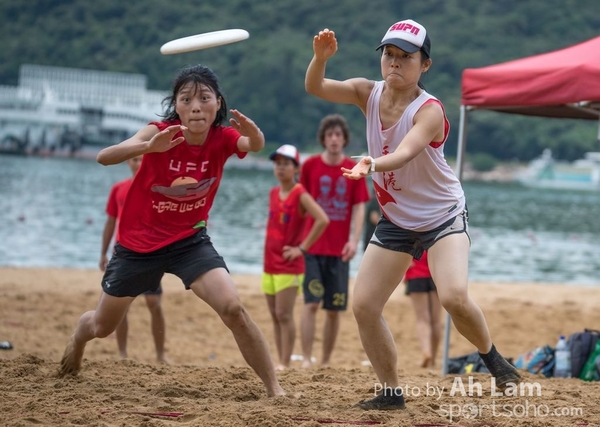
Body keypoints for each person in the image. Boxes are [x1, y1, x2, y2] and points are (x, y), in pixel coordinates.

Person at [305, 19, 520, 409]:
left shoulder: (430, 111)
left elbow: (406, 151)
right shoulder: (365, 92)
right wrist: (319, 59)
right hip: (397, 220)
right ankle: (391, 392)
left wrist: (373, 164)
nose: (395, 63)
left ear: (425, 65)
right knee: (365, 305)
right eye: (389, 54)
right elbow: (316, 87)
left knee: (453, 297)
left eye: (406, 57)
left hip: (443, 216)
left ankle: (492, 357)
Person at [58, 64, 285, 398]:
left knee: (233, 308)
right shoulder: (159, 131)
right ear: (176, 106)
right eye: (186, 99)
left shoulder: (222, 138)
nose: (196, 106)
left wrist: (256, 133)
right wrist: (149, 148)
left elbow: (254, 144)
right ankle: (79, 338)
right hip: (137, 244)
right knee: (102, 327)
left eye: (204, 98)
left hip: (189, 241)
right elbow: (105, 157)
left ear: (218, 103)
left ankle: (274, 389)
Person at [299, 114, 370, 368]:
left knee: (334, 308)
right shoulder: (309, 166)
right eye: (330, 135)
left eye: (338, 135)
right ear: (323, 139)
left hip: (340, 250)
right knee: (311, 303)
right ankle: (306, 358)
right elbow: (300, 202)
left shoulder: (353, 171)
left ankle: (326, 360)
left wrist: (354, 241)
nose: (334, 139)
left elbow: (360, 207)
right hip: (313, 247)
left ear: (344, 140)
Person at [263, 144, 329, 371]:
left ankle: (285, 362)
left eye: (285, 164)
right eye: (277, 164)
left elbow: (322, 219)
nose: (280, 168)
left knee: (284, 313)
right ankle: (281, 359)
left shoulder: (299, 193)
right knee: (274, 314)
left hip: (289, 264)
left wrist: (301, 248)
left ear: (295, 168)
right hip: (269, 263)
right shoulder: (273, 192)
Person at [100, 155, 170, 363]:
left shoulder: (159, 188)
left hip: (151, 253)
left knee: (154, 303)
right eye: (135, 160)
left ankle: (160, 355)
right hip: (123, 254)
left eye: (142, 160)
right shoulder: (118, 189)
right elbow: (111, 222)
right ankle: (122, 354)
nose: (139, 163)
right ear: (128, 162)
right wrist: (103, 252)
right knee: (121, 305)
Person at [403, 251, 443, 369]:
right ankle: (434, 359)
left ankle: (426, 352)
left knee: (422, 319)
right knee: (436, 320)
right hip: (435, 274)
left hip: (416, 273)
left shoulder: (411, 232)